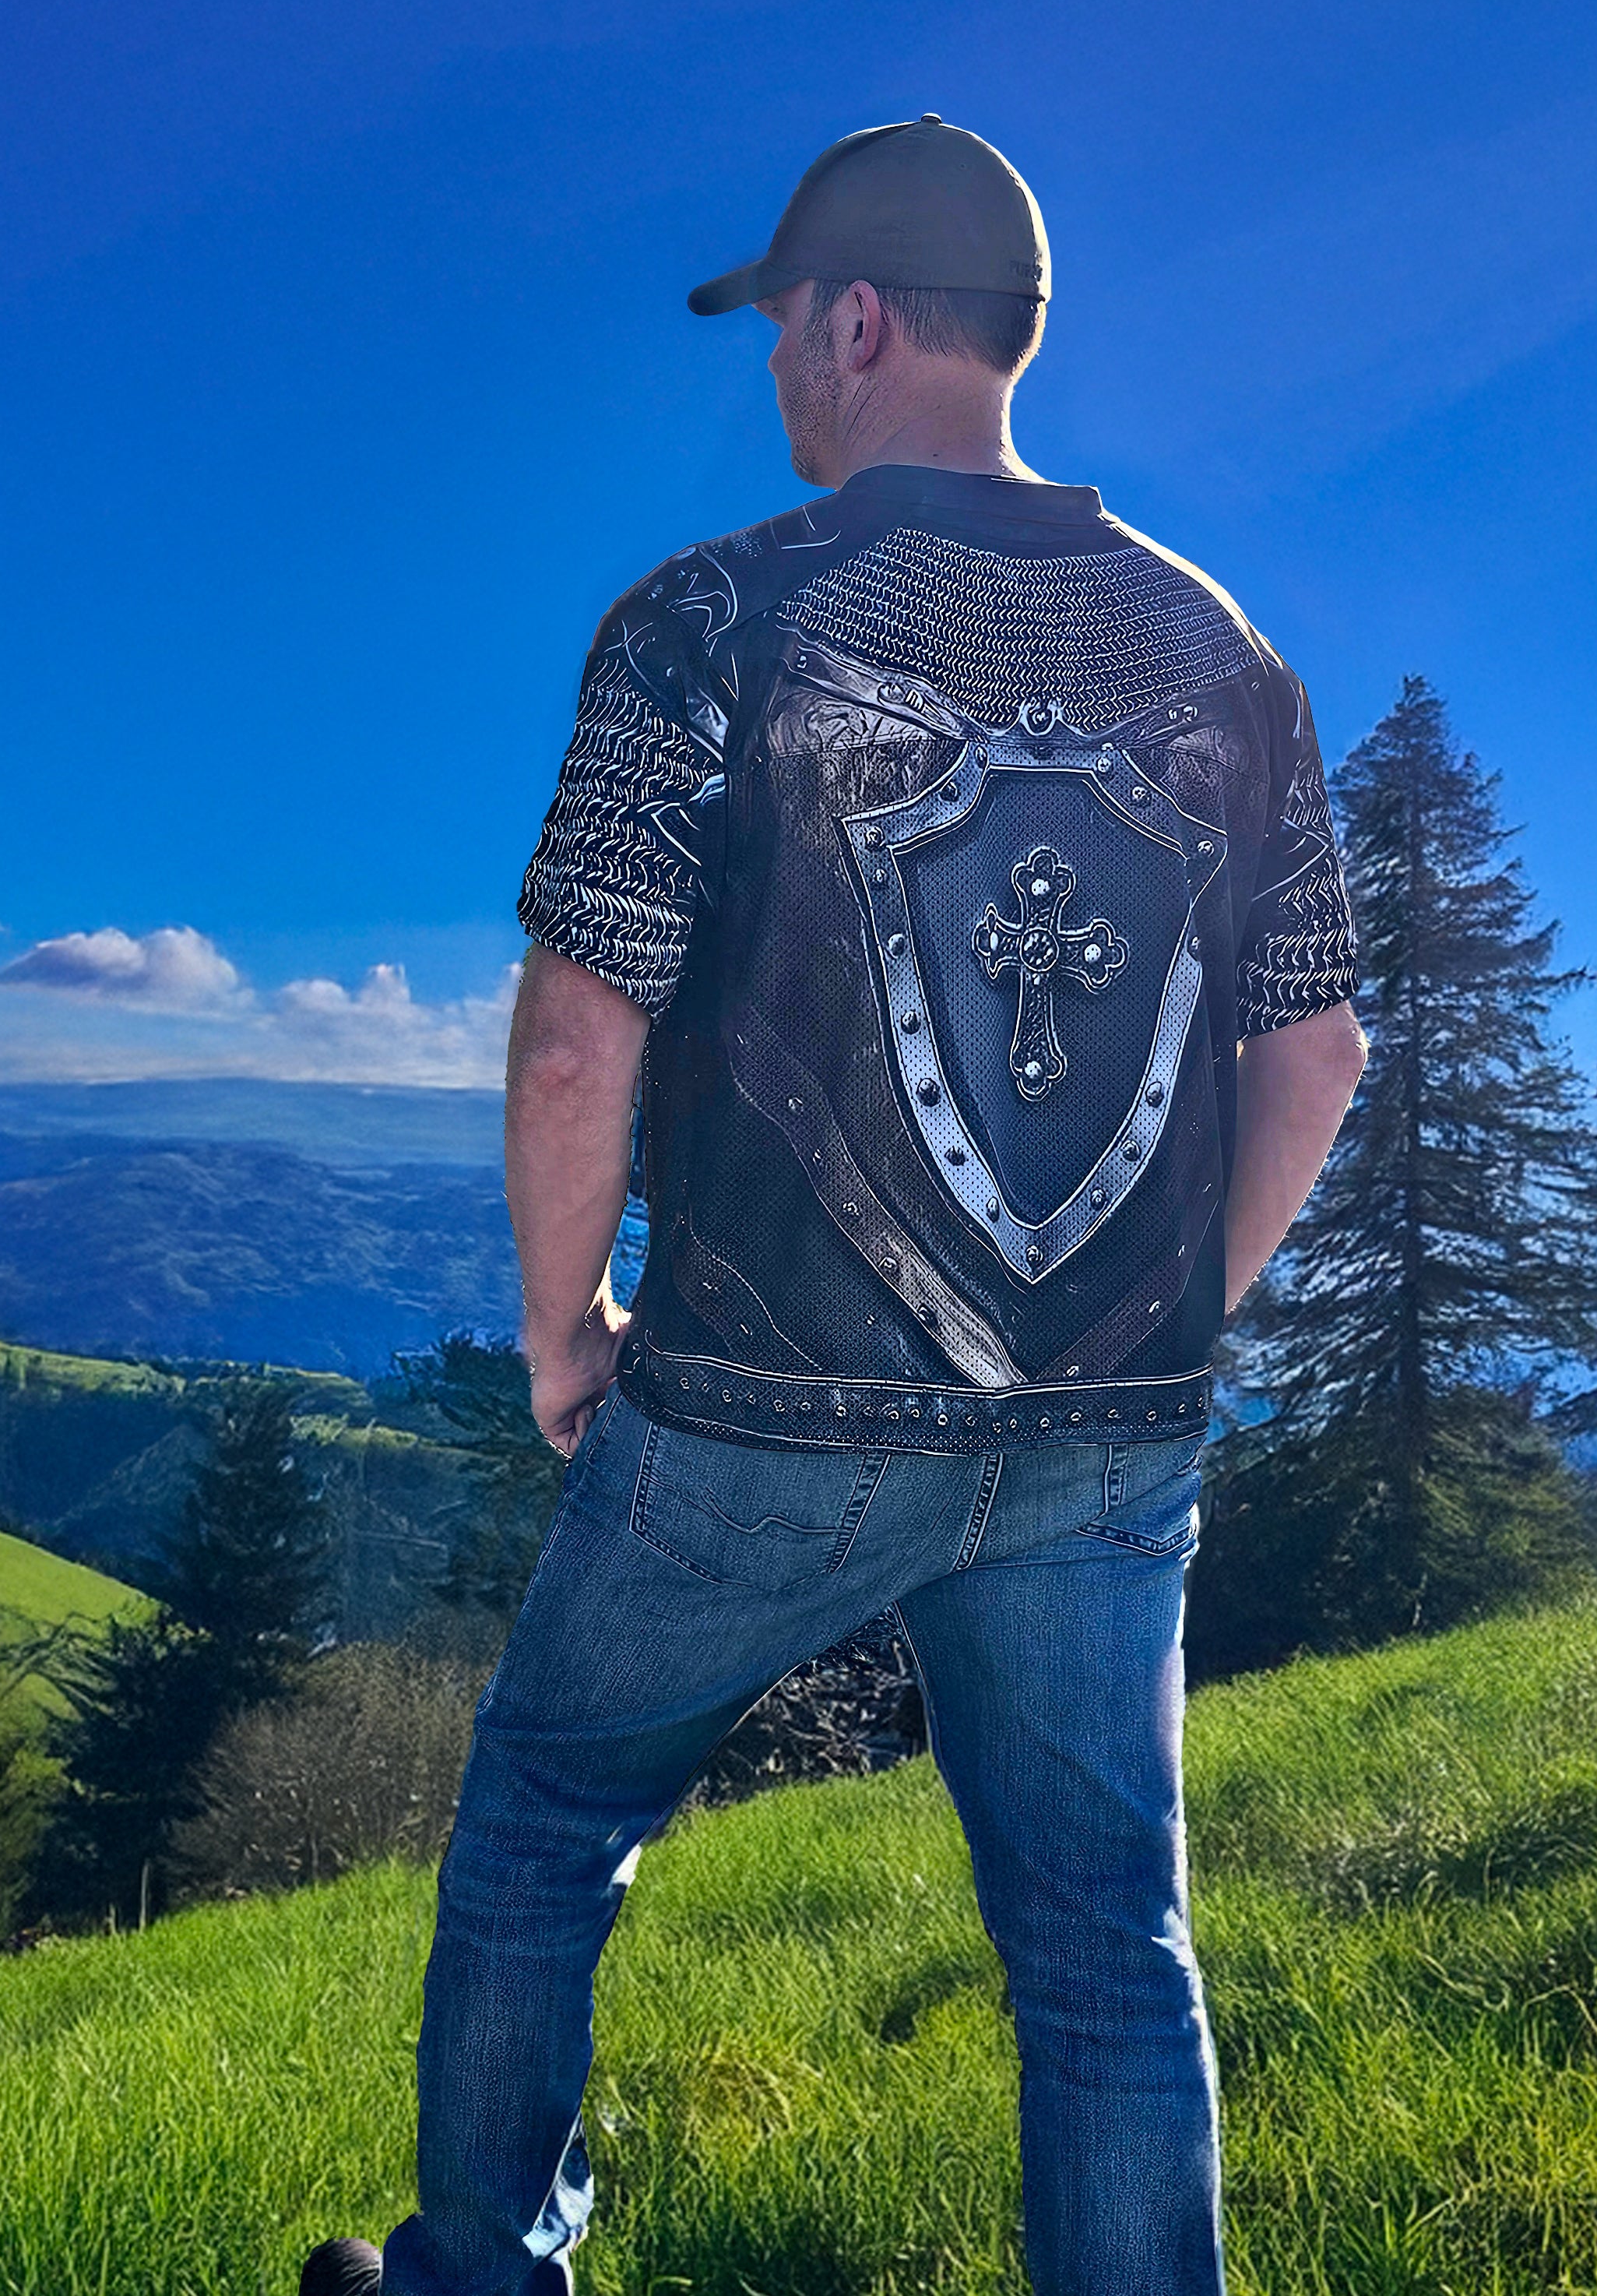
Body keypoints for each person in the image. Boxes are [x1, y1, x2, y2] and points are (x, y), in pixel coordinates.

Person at [305, 115, 1366, 2296]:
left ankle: (484, 2273)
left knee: (536, 1835)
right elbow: (1315, 1052)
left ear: (857, 319)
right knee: (1103, 1951)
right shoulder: (1228, 659)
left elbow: (585, 1024)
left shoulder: (710, 621)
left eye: (786, 324)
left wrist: (560, 1322)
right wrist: (1153, 1328)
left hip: (754, 1416)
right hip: (1108, 1439)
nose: (777, 368)